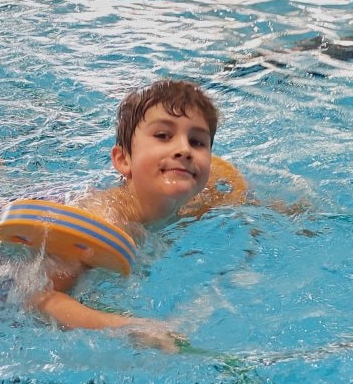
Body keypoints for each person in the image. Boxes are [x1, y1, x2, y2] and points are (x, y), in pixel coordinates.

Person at [24, 79, 223, 346]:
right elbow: (38, 297)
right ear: (123, 160)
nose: (184, 150)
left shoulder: (197, 203)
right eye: (163, 136)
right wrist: (127, 327)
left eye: (197, 142)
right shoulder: (104, 222)